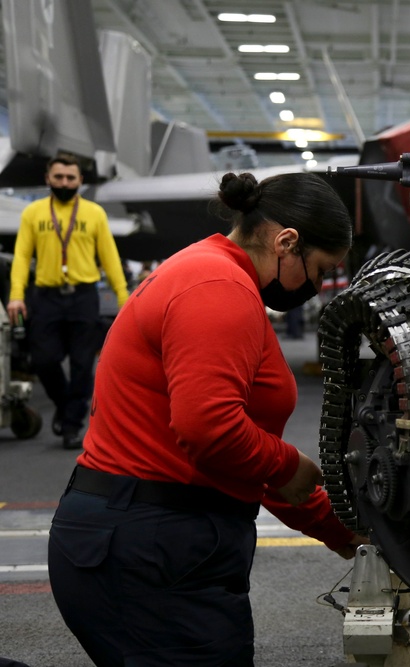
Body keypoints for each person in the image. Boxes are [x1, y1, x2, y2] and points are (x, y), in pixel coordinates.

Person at [47, 171, 367, 666]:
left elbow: (237, 459)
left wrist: (335, 526)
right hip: (153, 545)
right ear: (286, 241)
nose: (318, 285)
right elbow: (210, 428)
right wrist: (289, 464)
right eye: (321, 269)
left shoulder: (210, 272)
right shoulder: (217, 286)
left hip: (158, 537)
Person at [6, 154, 130, 449]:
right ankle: (65, 407)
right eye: (59, 177)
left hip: (83, 297)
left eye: (70, 178)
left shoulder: (94, 213)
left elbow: (110, 258)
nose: (65, 183)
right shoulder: (33, 213)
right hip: (46, 297)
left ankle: (72, 425)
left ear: (80, 181)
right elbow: (22, 256)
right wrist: (15, 296)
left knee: (82, 364)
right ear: (48, 179)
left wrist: (125, 298)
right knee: (44, 361)